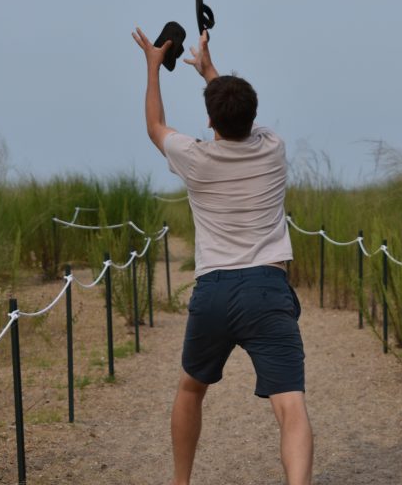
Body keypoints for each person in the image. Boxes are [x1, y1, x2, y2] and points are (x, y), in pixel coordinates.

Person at [131, 26, 313, 485]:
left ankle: (180, 483)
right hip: (268, 289)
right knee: (290, 404)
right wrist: (208, 66)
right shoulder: (273, 148)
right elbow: (234, 110)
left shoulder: (196, 157)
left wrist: (155, 68)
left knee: (191, 390)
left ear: (210, 122)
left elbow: (155, 126)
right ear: (253, 116)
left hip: (214, 290)